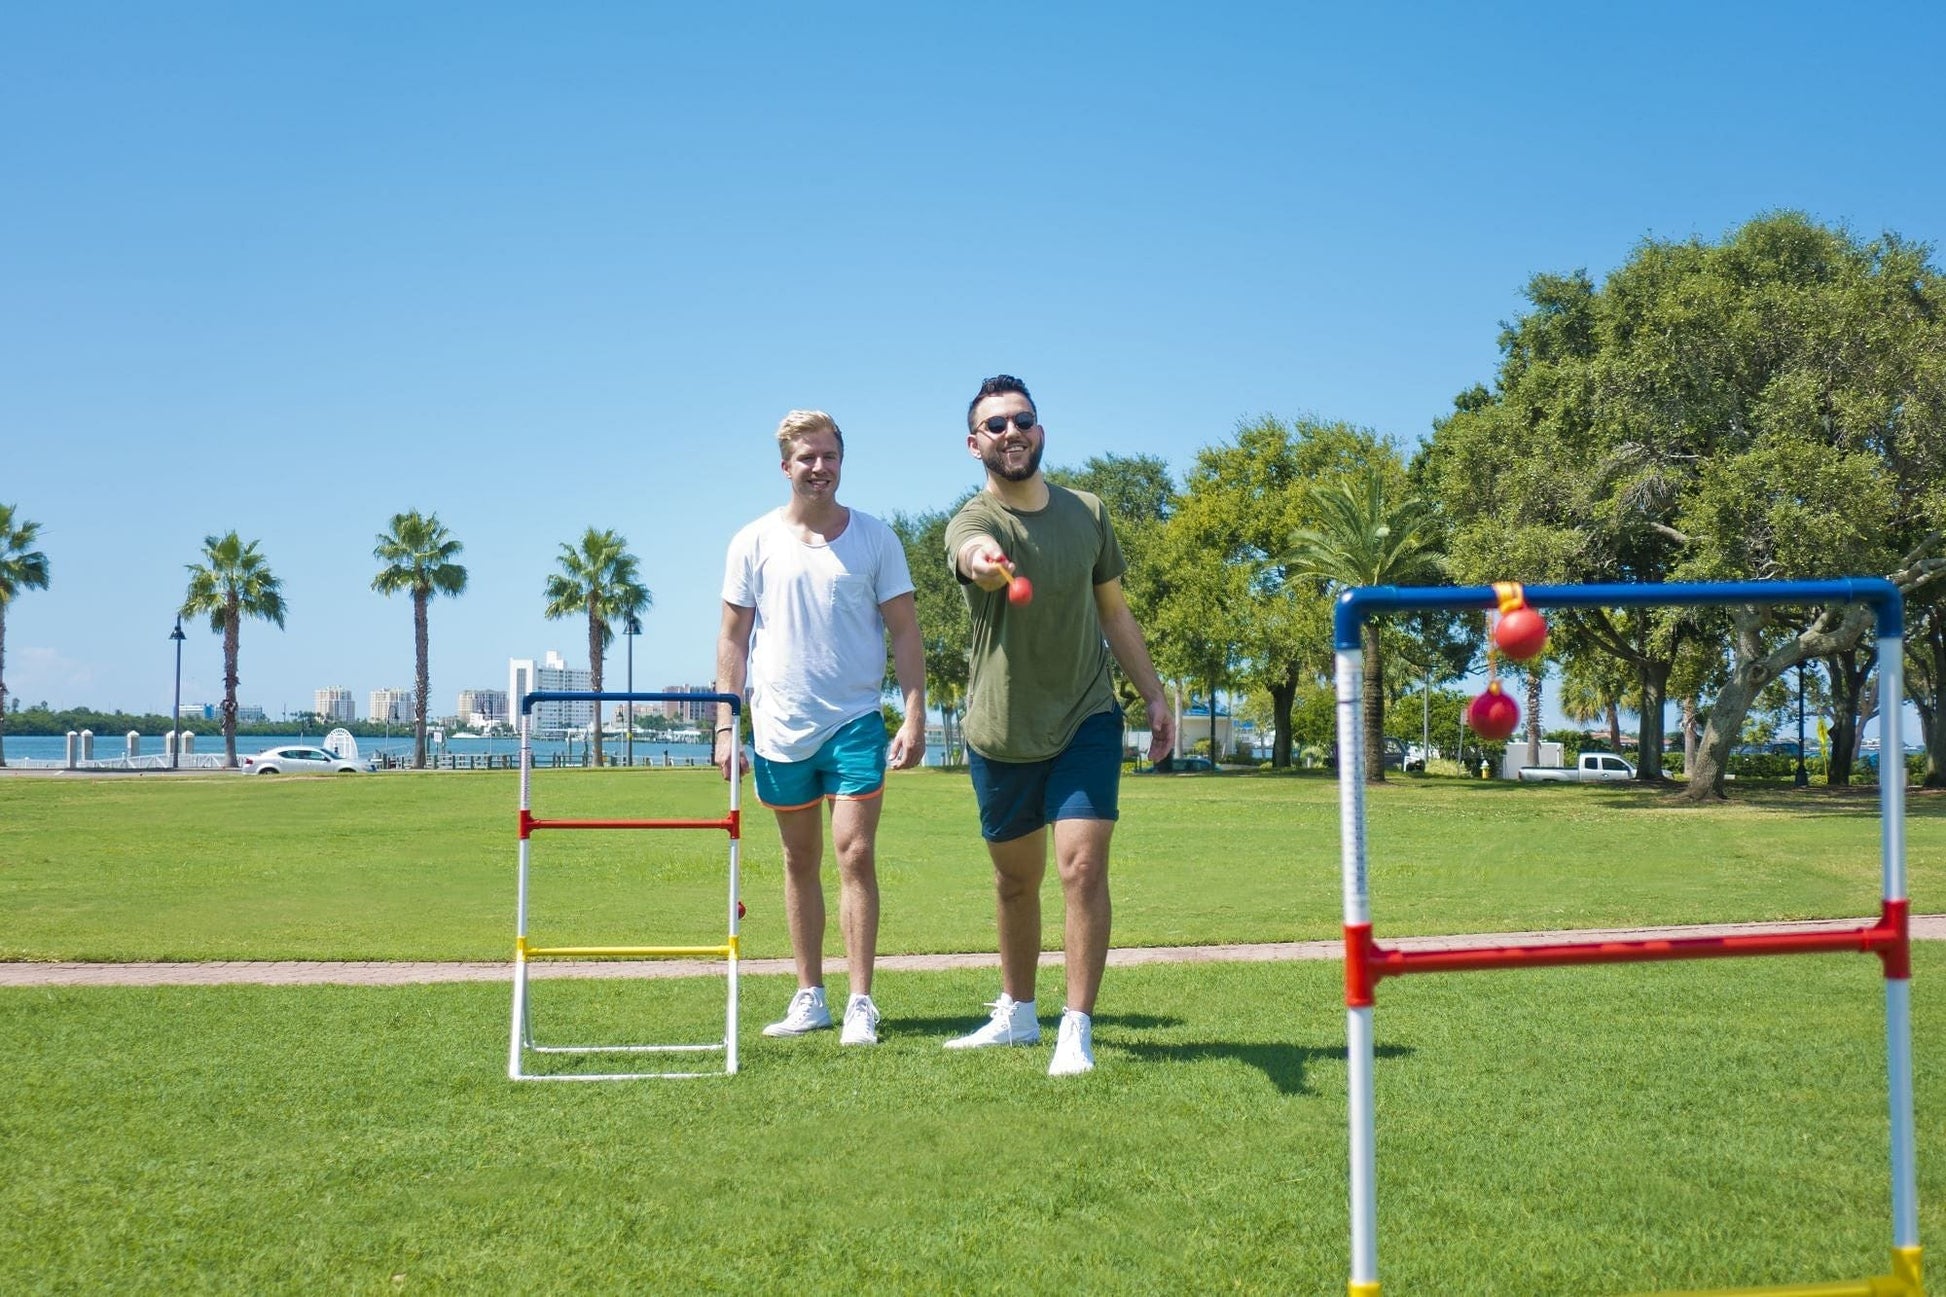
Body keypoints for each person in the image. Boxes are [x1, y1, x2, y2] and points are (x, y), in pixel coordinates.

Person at [941, 375, 1174, 1075]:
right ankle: (1016, 1012)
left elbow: (1114, 613)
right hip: (1002, 729)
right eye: (996, 424)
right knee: (1016, 882)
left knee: (1081, 866)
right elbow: (970, 555)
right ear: (974, 443)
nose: (1012, 432)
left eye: (1023, 420)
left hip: (1086, 715)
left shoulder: (1088, 512)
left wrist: (1156, 697)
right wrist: (986, 565)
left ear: (1039, 429)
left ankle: (1076, 1024)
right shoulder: (973, 519)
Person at [717, 409, 926, 1047]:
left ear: (841, 461)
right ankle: (810, 995)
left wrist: (914, 710)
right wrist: (728, 728)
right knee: (797, 858)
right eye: (806, 458)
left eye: (829, 456)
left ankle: (861, 1000)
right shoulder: (752, 542)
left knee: (855, 854)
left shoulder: (875, 539)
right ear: (786, 466)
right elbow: (732, 639)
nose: (819, 467)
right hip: (779, 727)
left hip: (856, 721)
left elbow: (906, 631)